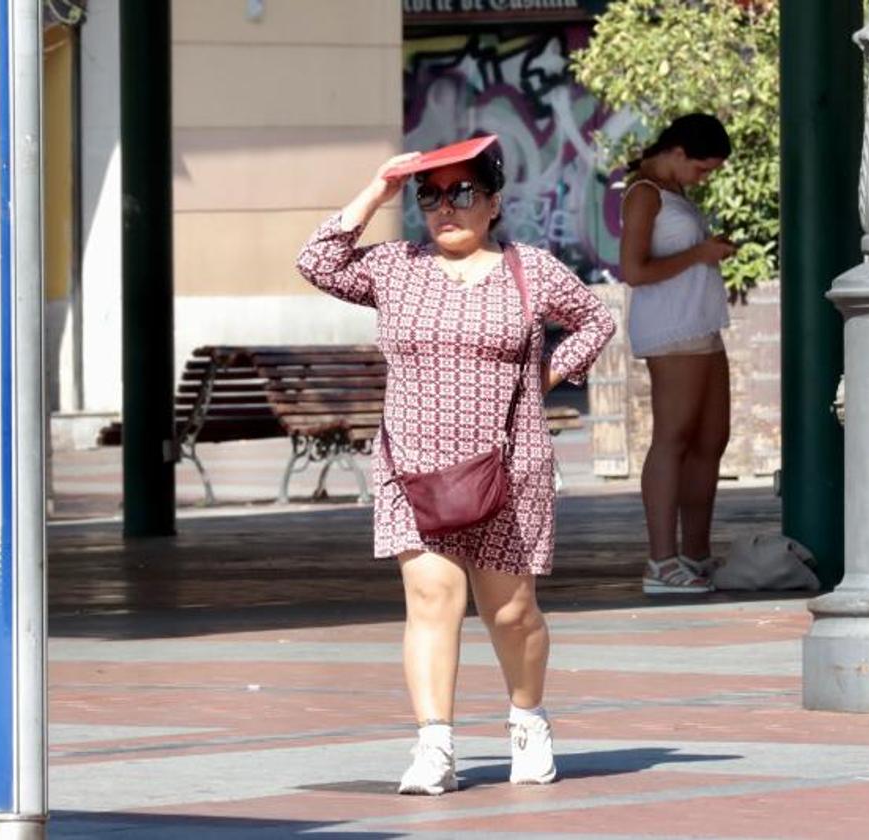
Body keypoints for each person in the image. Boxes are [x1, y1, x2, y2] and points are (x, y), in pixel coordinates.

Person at [296, 139, 615, 795]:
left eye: (463, 193)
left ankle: (528, 721)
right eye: (431, 195)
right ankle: (433, 746)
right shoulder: (394, 266)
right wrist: (377, 191)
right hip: (412, 466)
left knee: (511, 612)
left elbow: (595, 319)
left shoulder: (531, 270)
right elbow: (317, 261)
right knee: (431, 601)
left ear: (494, 203)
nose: (446, 207)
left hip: (508, 466)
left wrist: (550, 373)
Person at [618, 113, 735, 595]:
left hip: (701, 323)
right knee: (673, 437)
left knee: (711, 440)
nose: (703, 179)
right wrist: (700, 254)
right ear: (678, 153)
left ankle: (695, 554)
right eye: (702, 169)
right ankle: (662, 561)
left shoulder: (674, 192)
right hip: (671, 329)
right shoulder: (644, 193)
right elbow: (633, 270)